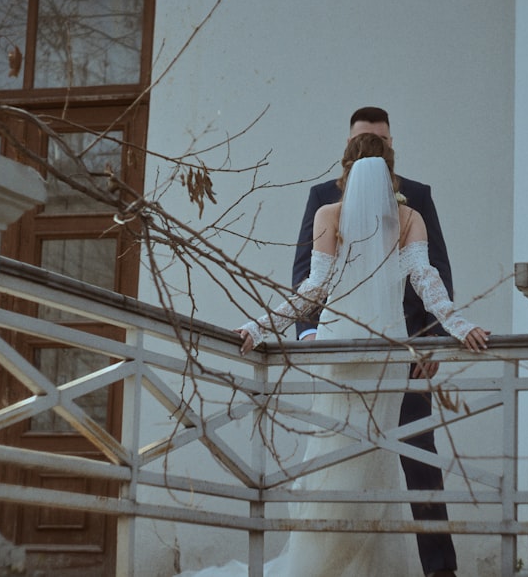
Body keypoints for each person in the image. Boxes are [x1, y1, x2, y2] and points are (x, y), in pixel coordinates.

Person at [204, 133, 488, 577]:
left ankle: (327, 564)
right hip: (388, 352)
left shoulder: (328, 214)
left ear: (344, 170)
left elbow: (312, 288)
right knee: (377, 462)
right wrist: (459, 325)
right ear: (392, 171)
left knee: (335, 457)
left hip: (340, 349)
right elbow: (426, 281)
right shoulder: (409, 216)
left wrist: (261, 326)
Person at [292, 107, 460, 577]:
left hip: (404, 351)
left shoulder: (416, 197)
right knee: (336, 459)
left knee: (417, 455)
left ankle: (440, 570)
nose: (374, 147)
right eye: (366, 139)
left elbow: (434, 270)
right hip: (340, 352)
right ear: (348, 145)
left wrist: (432, 340)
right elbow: (306, 271)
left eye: (382, 140)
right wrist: (309, 333)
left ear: (392, 144)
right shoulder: (323, 199)